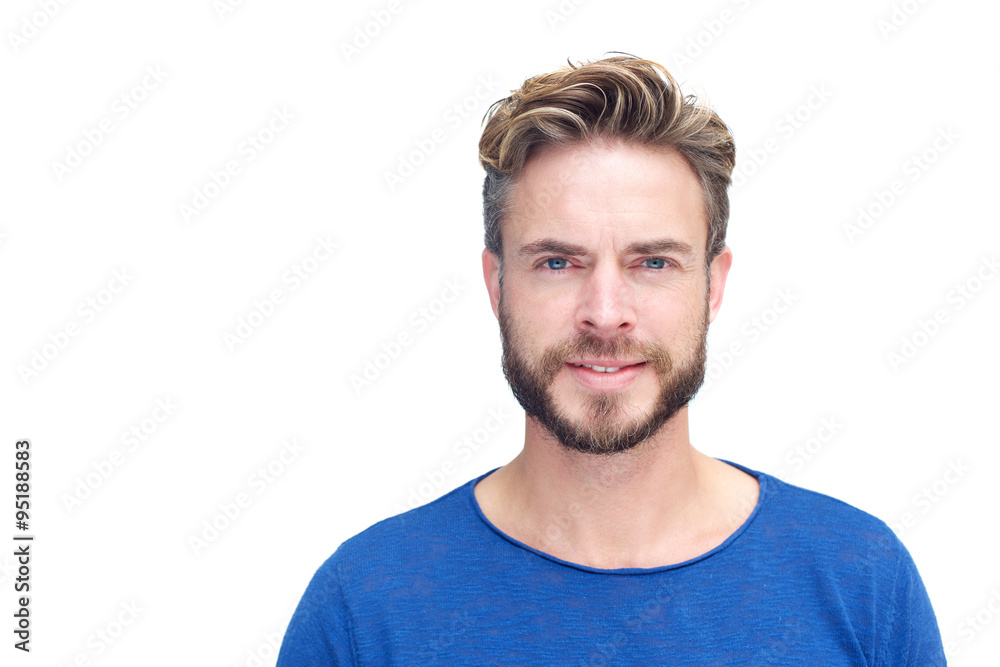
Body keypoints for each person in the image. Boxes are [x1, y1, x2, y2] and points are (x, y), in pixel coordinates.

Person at [276, 54, 946, 665]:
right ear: (497, 283)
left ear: (713, 284)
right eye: (558, 262)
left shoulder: (861, 582)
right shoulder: (365, 608)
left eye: (652, 262)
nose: (605, 311)